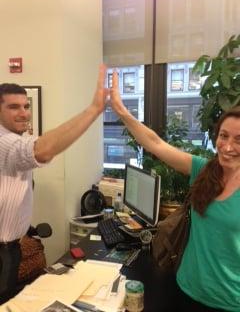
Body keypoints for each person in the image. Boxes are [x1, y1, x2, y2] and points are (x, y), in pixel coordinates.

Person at [109, 70, 240, 312]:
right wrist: (121, 111)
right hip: (184, 287)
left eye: (239, 140)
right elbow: (155, 143)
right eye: (224, 136)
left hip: (228, 302)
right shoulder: (204, 170)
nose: (228, 146)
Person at [0, 65, 109, 304]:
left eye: (26, 106)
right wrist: (93, 110)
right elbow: (44, 150)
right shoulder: (4, 142)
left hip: (13, 246)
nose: (24, 113)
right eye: (13, 107)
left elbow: (39, 146)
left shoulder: (15, 138)